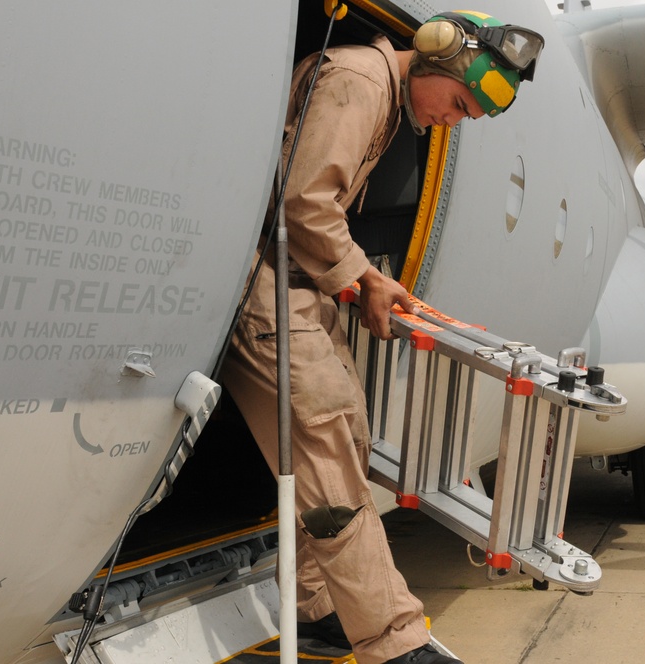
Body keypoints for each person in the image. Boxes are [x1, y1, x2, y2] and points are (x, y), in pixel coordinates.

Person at [221, 11, 543, 664]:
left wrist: (365, 282)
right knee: (329, 455)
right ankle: (393, 642)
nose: (454, 120)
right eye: (458, 103)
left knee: (348, 434)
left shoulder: (386, 101)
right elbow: (304, 202)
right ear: (433, 54)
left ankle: (316, 610)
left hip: (296, 284)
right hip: (263, 283)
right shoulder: (361, 82)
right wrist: (364, 280)